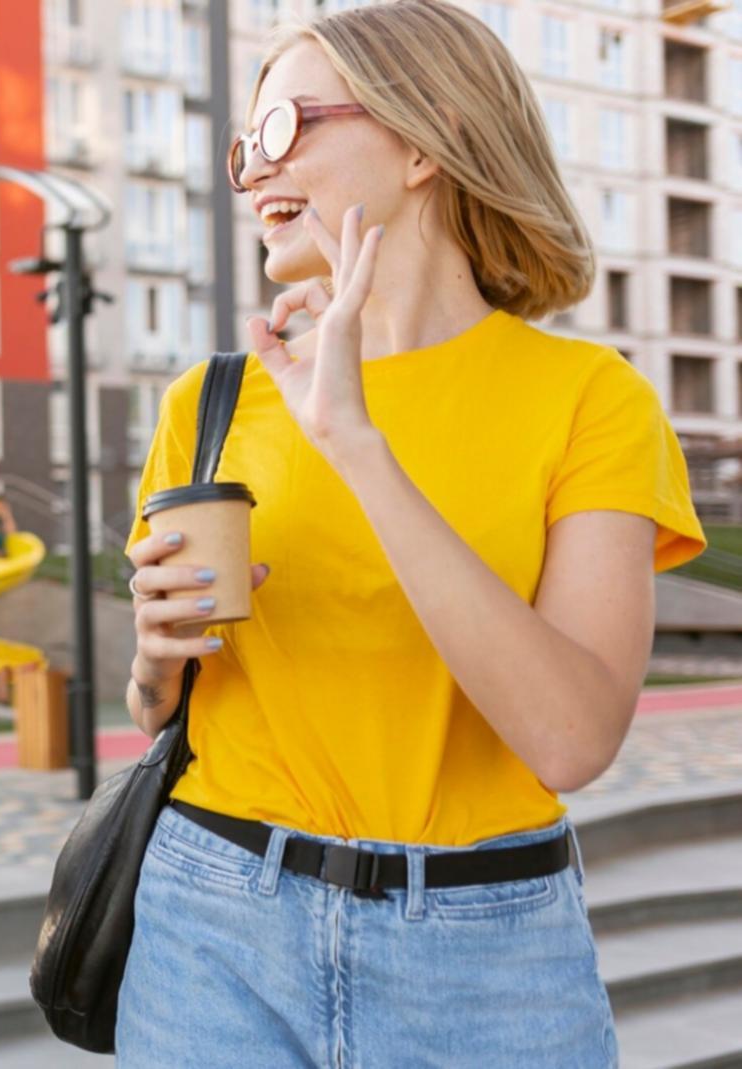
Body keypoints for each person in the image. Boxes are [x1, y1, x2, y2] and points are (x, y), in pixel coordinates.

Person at [116, 2, 704, 1065]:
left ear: (425, 136)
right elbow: (156, 705)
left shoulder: (587, 399)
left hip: (487, 951)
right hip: (211, 918)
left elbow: (571, 739)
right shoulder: (204, 404)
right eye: (241, 146)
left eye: (285, 128)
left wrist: (354, 445)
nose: (250, 172)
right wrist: (154, 661)